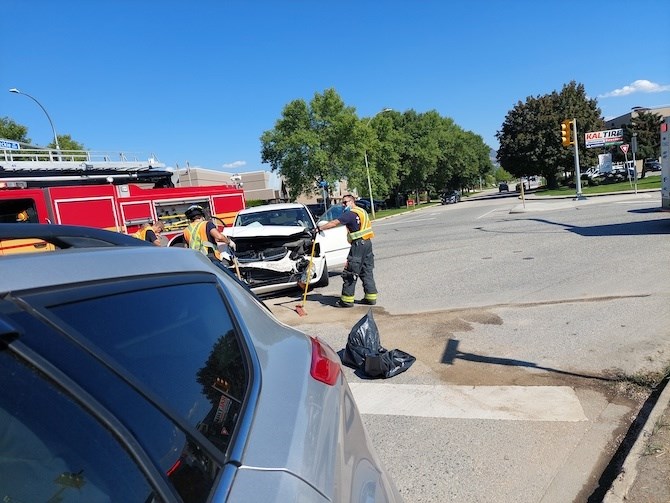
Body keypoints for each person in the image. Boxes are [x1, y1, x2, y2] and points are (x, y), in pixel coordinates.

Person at [317, 194, 377, 307]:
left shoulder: (350, 214)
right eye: (342, 203)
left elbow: (334, 223)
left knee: (351, 272)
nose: (343, 205)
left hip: (358, 245)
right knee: (366, 271)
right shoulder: (362, 211)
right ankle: (371, 297)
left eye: (345, 202)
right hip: (367, 244)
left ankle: (347, 300)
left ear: (352, 201)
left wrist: (319, 228)